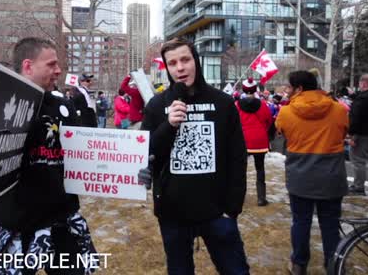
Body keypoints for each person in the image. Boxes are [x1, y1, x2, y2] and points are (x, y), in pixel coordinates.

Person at [0, 37, 97, 274]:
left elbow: (87, 151)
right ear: (28, 66)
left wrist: (127, 169)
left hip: (60, 219)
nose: (59, 70)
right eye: (51, 64)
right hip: (14, 222)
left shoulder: (65, 105)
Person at [139, 38, 249, 274]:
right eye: (172, 63)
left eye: (185, 60)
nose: (180, 68)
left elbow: (237, 158)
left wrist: (232, 209)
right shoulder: (157, 106)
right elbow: (146, 152)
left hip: (217, 213)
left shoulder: (223, 103)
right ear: (167, 68)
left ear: (196, 61)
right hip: (173, 214)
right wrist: (168, 126)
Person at [275, 71, 349, 273]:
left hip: (300, 176)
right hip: (332, 175)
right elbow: (343, 133)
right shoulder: (339, 109)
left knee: (300, 221)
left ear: (299, 88)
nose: (287, 91)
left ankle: (299, 263)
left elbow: (282, 132)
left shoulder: (285, 112)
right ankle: (333, 264)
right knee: (331, 223)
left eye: (289, 87)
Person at [235, 77, 273, 206]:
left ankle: (239, 197)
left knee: (241, 170)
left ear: (244, 89)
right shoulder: (262, 104)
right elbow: (268, 120)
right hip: (260, 141)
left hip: (243, 140)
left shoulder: (237, 105)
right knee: (260, 169)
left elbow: (234, 122)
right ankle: (261, 198)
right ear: (255, 89)